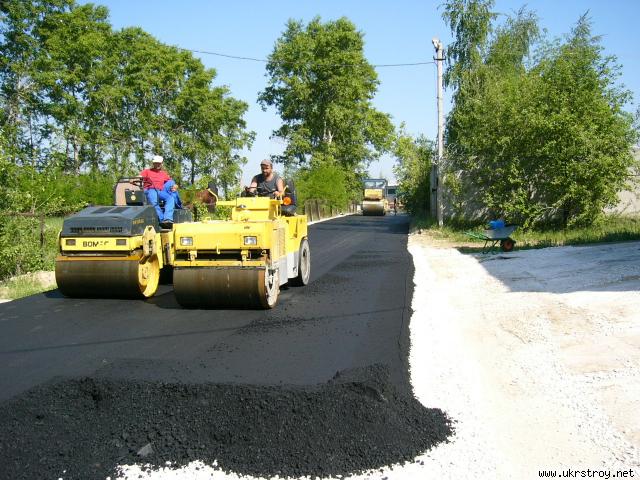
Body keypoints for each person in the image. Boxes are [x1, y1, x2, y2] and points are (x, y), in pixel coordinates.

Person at [140, 155, 181, 226]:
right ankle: (162, 219)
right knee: (154, 201)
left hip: (159, 191)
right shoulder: (147, 171)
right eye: (156, 163)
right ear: (153, 163)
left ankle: (168, 219)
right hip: (150, 189)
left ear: (161, 164)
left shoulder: (163, 173)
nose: (158, 164)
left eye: (159, 163)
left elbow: (170, 181)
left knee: (170, 198)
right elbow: (139, 177)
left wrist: (175, 186)